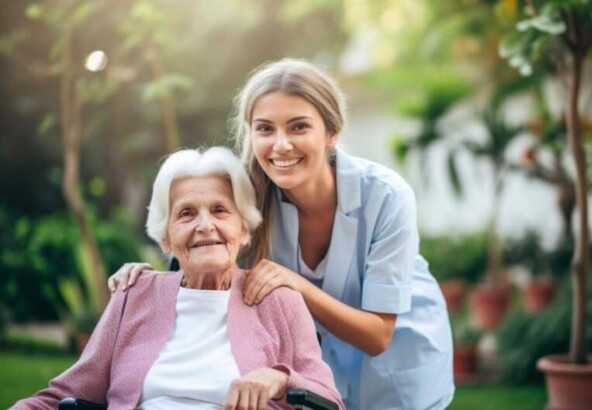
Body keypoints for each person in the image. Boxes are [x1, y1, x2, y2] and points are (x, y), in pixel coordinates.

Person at [109, 59, 454, 410]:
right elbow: (194, 262)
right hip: (316, 371)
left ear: (331, 133)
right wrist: (142, 280)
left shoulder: (386, 195)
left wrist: (295, 284)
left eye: (298, 127)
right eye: (265, 129)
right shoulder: (247, 195)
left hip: (398, 362)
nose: (281, 145)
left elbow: (379, 335)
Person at [12, 147, 343, 410]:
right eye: (186, 213)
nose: (204, 225)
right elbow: (62, 397)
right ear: (165, 238)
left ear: (243, 230)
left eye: (219, 210)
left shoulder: (278, 300)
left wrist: (279, 379)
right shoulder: (134, 293)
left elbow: (329, 400)